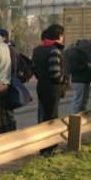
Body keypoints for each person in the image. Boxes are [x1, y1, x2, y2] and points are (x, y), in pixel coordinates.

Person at [32, 24, 67, 156]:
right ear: (59, 36)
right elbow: (55, 73)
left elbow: (34, 68)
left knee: (43, 117)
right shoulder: (54, 51)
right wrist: (63, 80)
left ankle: (43, 147)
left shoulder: (38, 50)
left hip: (41, 87)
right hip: (53, 89)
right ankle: (50, 148)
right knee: (52, 118)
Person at [0, 28, 21, 132]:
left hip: (8, 82)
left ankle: (11, 133)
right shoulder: (6, 48)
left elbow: (13, 68)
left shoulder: (10, 49)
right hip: (5, 81)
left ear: (4, 37)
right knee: (5, 111)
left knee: (9, 111)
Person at [65, 38, 91, 114]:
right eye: (87, 49)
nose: (88, 50)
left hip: (85, 80)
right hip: (78, 80)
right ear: (83, 47)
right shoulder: (74, 53)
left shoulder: (82, 53)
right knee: (78, 100)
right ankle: (74, 116)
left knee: (84, 100)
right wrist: (86, 66)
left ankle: (82, 114)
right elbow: (73, 67)